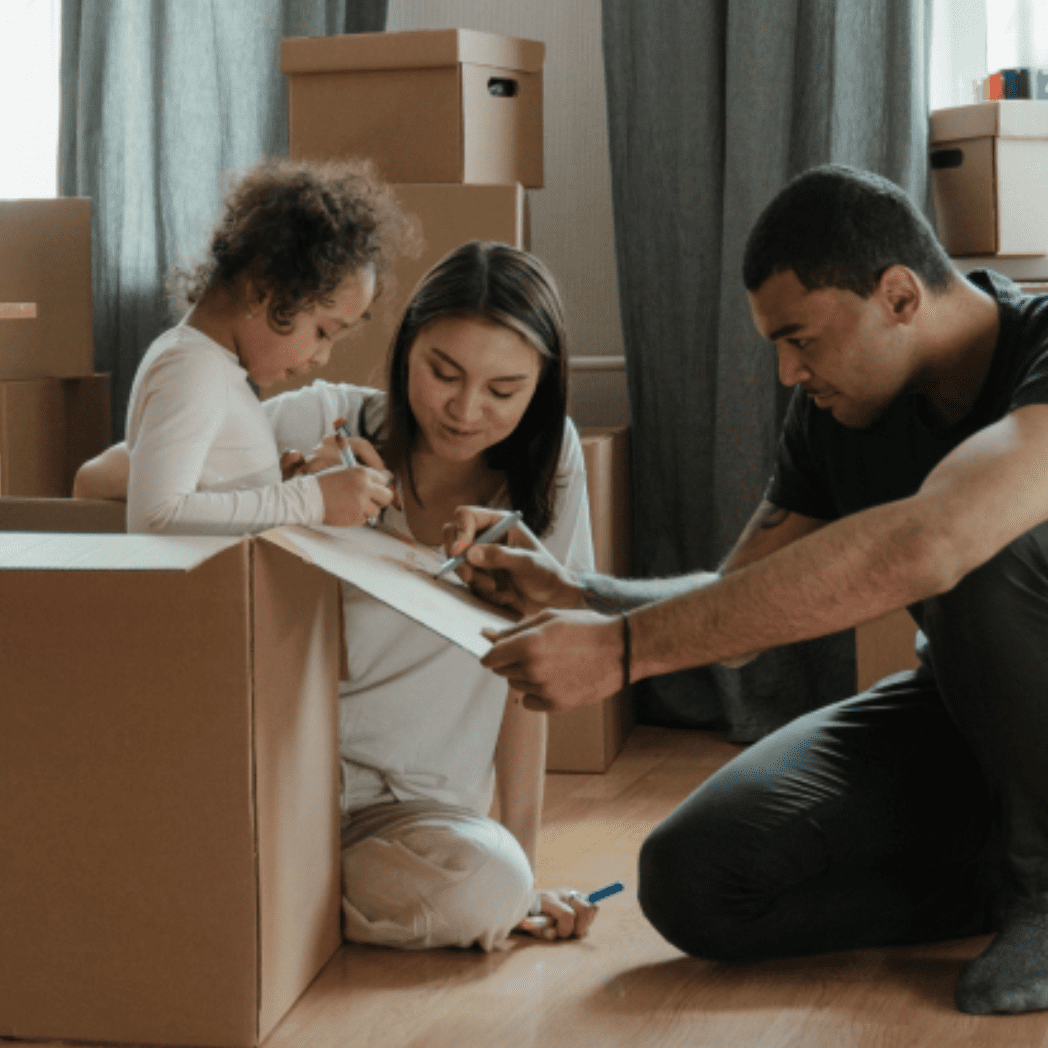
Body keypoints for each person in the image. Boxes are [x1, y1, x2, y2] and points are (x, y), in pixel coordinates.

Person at [448, 165, 1048, 1012]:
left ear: (901, 297)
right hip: (967, 713)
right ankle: (1014, 876)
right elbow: (744, 600)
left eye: (801, 340)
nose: (786, 373)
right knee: (697, 880)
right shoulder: (838, 412)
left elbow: (937, 540)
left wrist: (620, 655)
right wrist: (581, 593)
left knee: (986, 538)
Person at [75, 239, 601, 951]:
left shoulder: (551, 470)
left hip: (413, 817)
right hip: (280, 785)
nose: (466, 409)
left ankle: (266, 900)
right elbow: (99, 480)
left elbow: (529, 678)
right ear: (405, 348)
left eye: (504, 391)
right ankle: (272, 895)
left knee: (492, 885)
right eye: (442, 373)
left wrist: (527, 872)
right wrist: (290, 490)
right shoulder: (321, 421)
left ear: (541, 388)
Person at [83, 156, 418, 531]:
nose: (322, 358)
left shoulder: (213, 369)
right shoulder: (191, 369)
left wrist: (283, 487)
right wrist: (312, 499)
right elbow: (155, 519)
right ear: (262, 290)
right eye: (323, 332)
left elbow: (211, 504)